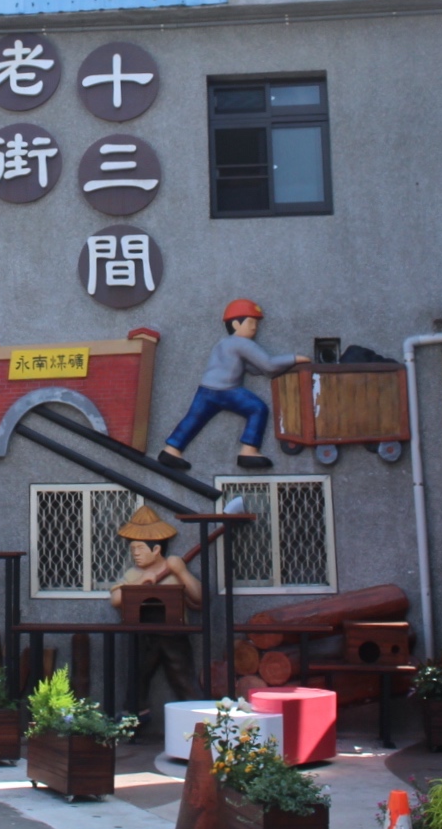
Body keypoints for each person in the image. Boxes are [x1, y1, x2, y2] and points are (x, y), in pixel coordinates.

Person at [158, 299, 308, 472]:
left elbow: (254, 368)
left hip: (206, 390)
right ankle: (249, 451)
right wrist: (295, 358)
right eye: (251, 322)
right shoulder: (242, 343)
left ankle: (171, 450)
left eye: (256, 323)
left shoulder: (223, 343)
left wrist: (272, 368)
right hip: (227, 391)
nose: (254, 327)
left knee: (194, 419)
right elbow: (269, 365)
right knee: (257, 409)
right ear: (236, 324)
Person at [110, 506, 203, 703]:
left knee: (183, 678)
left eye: (140, 548)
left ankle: (197, 720)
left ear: (156, 549)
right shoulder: (132, 575)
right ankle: (132, 722)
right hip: (142, 637)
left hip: (174, 635)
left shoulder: (174, 571)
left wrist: (181, 572)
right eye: (132, 549)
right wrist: (141, 582)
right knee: (137, 680)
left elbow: (199, 599)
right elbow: (116, 600)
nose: (135, 553)